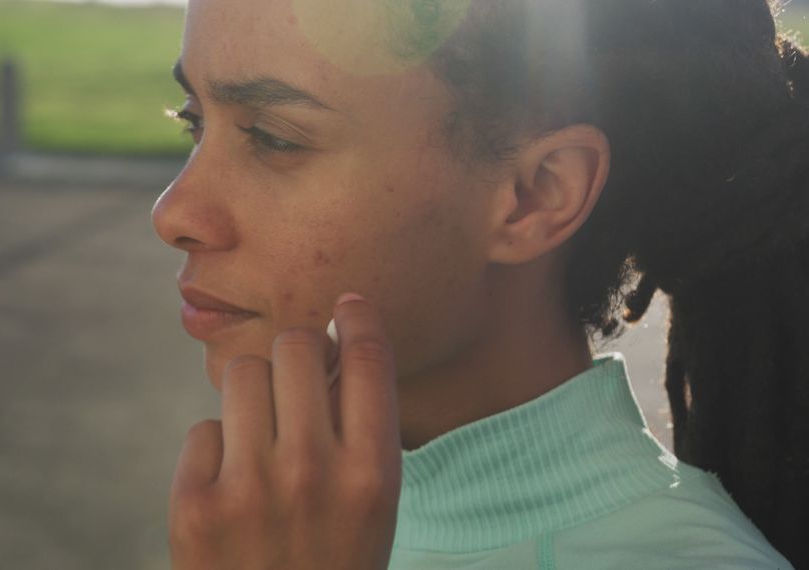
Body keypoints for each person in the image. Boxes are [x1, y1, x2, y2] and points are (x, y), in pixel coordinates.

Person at [150, 0, 807, 568]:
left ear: (535, 195)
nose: (173, 212)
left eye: (274, 138)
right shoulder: (261, 526)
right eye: (194, 120)